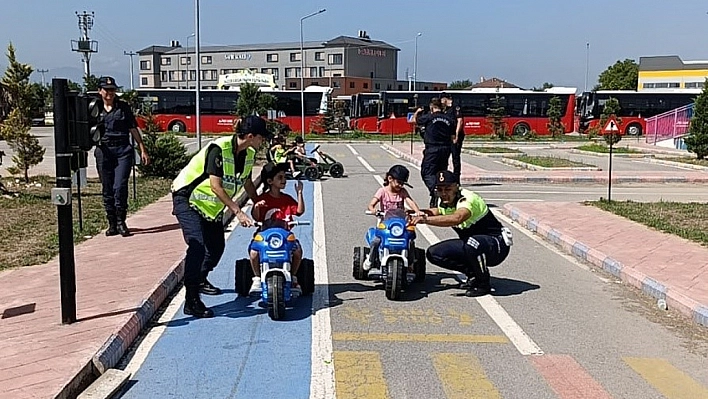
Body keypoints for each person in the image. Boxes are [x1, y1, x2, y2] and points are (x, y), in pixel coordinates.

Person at [171, 115, 271, 318]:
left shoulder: (248, 154)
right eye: (262, 138)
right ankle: (191, 300)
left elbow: (247, 182)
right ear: (250, 136)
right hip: (187, 199)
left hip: (210, 207)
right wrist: (238, 211)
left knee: (216, 248)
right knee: (197, 246)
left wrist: (260, 202)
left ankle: (200, 278)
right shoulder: (219, 148)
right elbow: (216, 186)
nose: (263, 142)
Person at [411, 171, 513, 297]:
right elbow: (437, 211)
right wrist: (413, 212)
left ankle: (483, 284)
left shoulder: (467, 199)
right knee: (434, 253)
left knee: (472, 243)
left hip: (497, 245)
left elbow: (457, 218)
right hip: (472, 244)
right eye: (440, 189)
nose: (443, 193)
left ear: (456, 186)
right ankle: (473, 275)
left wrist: (425, 220)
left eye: (448, 189)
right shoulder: (443, 200)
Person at [95, 76, 150, 237]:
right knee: (107, 188)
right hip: (103, 150)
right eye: (107, 90)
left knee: (119, 186)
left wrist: (142, 148)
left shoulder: (123, 107)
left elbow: (133, 128)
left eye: (113, 90)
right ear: (100, 91)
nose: (110, 93)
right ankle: (111, 223)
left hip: (122, 150)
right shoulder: (94, 107)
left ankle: (121, 222)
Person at [248, 162, 305, 296]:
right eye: (280, 177)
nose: (284, 180)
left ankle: (294, 276)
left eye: (284, 177)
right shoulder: (263, 199)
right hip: (265, 235)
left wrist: (300, 193)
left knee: (297, 252)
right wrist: (256, 207)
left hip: (284, 235)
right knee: (254, 252)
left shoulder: (287, 199)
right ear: (270, 181)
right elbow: (256, 218)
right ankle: (257, 277)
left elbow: (299, 211)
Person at [364, 165, 421, 272]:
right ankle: (371, 259)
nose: (400, 185)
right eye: (399, 182)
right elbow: (371, 204)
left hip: (400, 223)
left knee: (410, 240)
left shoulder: (402, 192)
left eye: (402, 183)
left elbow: (410, 201)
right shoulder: (382, 191)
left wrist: (417, 211)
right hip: (385, 223)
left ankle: (411, 262)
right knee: (376, 241)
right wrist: (373, 210)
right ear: (390, 179)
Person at [411, 98, 455, 208]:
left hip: (432, 149)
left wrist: (417, 112)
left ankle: (435, 190)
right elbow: (453, 136)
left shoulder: (429, 117)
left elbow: (413, 120)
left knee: (427, 173)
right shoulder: (449, 119)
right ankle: (444, 197)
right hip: (445, 149)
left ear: (432, 107)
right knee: (441, 173)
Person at [441, 93, 465, 180]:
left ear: (445, 99)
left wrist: (456, 134)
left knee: (455, 157)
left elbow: (460, 121)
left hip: (455, 136)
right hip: (446, 136)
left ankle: (456, 177)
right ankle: (445, 176)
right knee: (444, 156)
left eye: (442, 100)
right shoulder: (445, 110)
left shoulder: (456, 107)